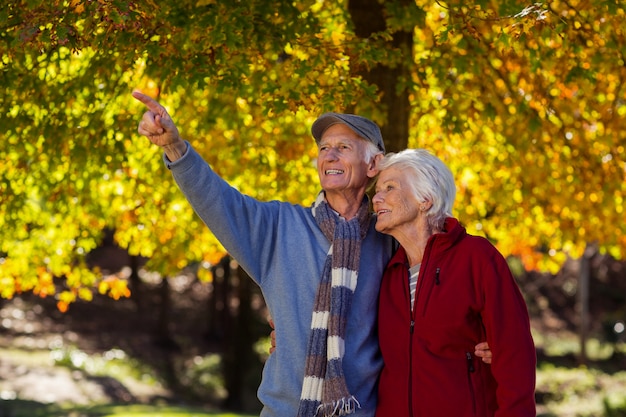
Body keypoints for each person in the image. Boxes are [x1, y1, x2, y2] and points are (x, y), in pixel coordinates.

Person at [133, 90, 394, 417]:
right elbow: (217, 199)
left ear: (374, 164)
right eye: (324, 148)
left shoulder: (390, 238)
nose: (329, 156)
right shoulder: (280, 226)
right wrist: (175, 147)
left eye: (343, 148)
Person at [372, 148, 536, 417]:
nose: (376, 198)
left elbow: (514, 356)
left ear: (425, 199)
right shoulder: (388, 272)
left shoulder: (476, 257)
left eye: (389, 187)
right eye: (377, 190)